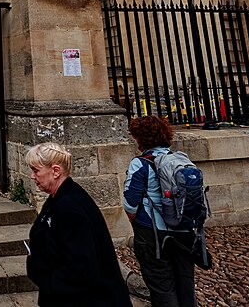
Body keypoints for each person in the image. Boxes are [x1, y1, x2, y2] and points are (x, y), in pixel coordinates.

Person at [26, 142, 131, 307]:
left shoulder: (70, 206)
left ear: (55, 171)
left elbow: (82, 266)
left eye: (36, 170)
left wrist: (48, 280)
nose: (32, 176)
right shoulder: (59, 198)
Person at [124, 116, 196, 307]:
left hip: (153, 231)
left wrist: (137, 223)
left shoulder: (140, 163)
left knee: (161, 285)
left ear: (140, 138)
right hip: (184, 229)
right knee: (185, 283)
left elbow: (130, 203)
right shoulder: (180, 159)